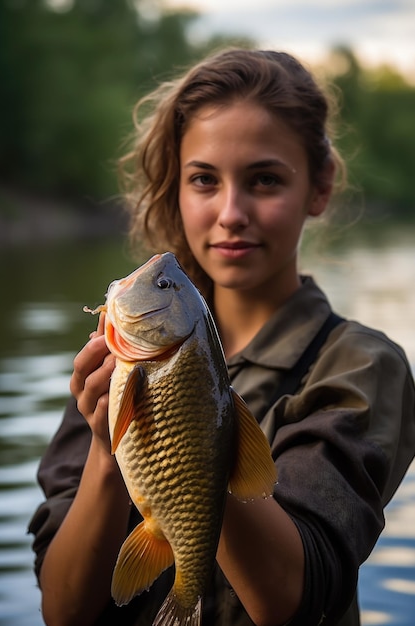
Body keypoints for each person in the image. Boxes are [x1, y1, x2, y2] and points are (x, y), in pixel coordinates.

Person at [29, 48, 415, 626]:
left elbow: (290, 600)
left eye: (264, 179)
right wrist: (109, 452)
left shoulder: (360, 365)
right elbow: (61, 612)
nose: (231, 212)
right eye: (204, 179)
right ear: (175, 187)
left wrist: (196, 444)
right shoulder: (118, 358)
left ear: (320, 186)